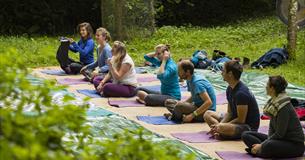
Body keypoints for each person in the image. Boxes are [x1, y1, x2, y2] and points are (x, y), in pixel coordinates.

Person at [241, 76, 304, 158]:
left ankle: (258, 151)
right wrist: (264, 143)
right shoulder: (274, 102)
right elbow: (272, 129)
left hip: (294, 145)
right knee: (246, 135)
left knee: (269, 144)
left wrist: (262, 145)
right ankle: (260, 151)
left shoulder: (284, 106)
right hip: (279, 141)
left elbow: (279, 134)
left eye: (267, 85)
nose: (266, 87)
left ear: (272, 88)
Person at [203, 60, 260, 140]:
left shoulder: (241, 93)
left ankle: (220, 131)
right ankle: (219, 131)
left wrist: (222, 126)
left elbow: (241, 120)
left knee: (221, 127)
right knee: (207, 114)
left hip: (248, 127)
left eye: (223, 71)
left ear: (230, 74)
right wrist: (220, 125)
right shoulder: (230, 88)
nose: (221, 73)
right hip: (234, 120)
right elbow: (229, 113)